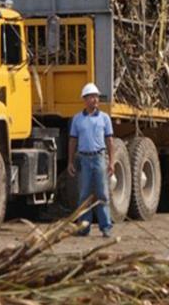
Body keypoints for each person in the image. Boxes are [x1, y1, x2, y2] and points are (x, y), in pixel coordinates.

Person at [67, 82, 115, 237]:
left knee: (102, 193)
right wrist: (70, 162)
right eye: (91, 97)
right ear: (85, 99)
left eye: (96, 97)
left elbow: (110, 141)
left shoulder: (105, 118)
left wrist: (112, 161)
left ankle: (106, 227)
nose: (95, 100)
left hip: (99, 157)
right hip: (84, 159)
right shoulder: (77, 119)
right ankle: (84, 227)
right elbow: (73, 141)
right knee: (84, 194)